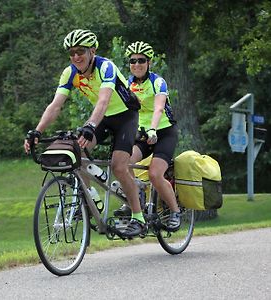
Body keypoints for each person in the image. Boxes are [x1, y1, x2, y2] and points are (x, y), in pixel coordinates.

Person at [24, 29, 146, 237]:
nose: (76, 57)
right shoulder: (70, 72)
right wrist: (37, 131)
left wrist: (89, 125)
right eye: (71, 53)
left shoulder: (105, 67)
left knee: (118, 165)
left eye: (80, 51)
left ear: (92, 51)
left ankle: (138, 216)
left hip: (126, 116)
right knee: (75, 151)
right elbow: (55, 106)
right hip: (103, 118)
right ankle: (91, 199)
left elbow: (103, 100)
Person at [115, 41, 181, 231]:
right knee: (123, 164)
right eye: (132, 61)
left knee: (154, 174)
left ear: (149, 62)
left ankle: (175, 212)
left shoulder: (157, 82)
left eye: (141, 60)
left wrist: (153, 129)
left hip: (163, 132)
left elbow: (159, 108)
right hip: (142, 134)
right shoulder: (128, 84)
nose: (136, 64)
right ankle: (137, 194)